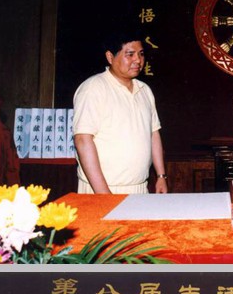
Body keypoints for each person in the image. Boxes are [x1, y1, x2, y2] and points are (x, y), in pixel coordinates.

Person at [72, 34, 168, 194]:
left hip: (140, 188)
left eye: (141, 54)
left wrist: (161, 176)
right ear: (110, 57)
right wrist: (104, 195)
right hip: (101, 191)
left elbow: (154, 134)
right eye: (130, 54)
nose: (138, 60)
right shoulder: (93, 88)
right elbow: (82, 140)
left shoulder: (145, 90)